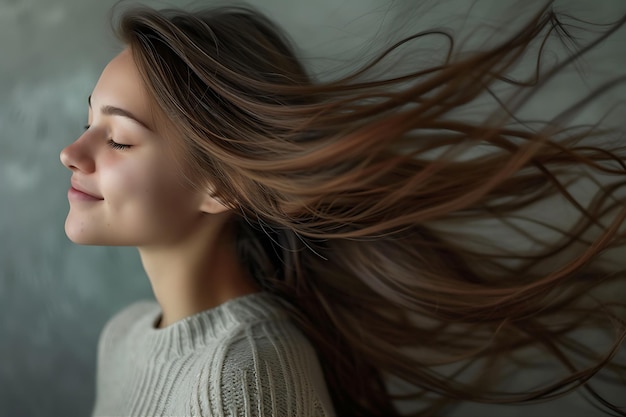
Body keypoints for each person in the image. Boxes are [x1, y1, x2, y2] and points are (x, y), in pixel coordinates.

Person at [60, 1, 626, 416]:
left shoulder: (248, 376)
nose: (70, 152)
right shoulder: (123, 337)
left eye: (119, 139)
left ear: (221, 186)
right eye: (90, 122)